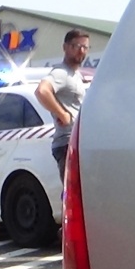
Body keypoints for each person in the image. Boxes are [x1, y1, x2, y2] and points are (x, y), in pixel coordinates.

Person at [37, 29, 91, 181]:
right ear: (65, 47)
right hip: (67, 143)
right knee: (73, 191)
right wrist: (62, 114)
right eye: (76, 46)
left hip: (77, 142)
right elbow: (42, 91)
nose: (81, 51)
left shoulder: (75, 75)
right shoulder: (61, 73)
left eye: (85, 47)